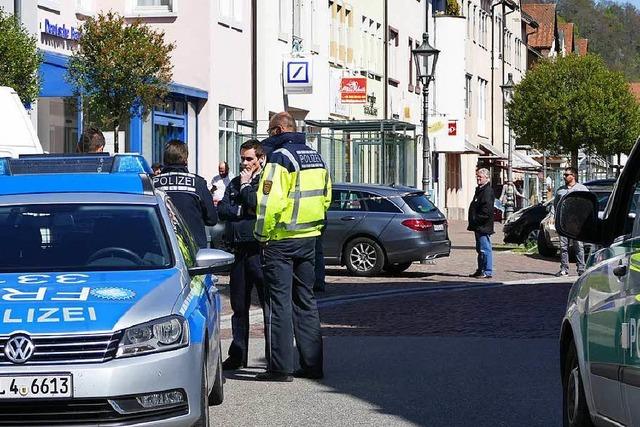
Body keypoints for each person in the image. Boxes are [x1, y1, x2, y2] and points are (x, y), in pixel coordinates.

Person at [253, 111, 331, 382]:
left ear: (278, 130)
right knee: (306, 300)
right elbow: (325, 197)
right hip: (309, 237)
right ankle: (312, 365)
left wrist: (262, 234)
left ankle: (279, 367)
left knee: (279, 303)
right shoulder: (316, 157)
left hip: (280, 239)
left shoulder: (280, 158)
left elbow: (268, 202)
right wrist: (314, 228)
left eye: (270, 130)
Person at [217, 140, 267, 370]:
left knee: (268, 304)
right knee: (239, 305)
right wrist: (239, 210)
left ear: (260, 159)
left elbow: (256, 206)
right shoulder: (235, 182)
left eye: (249, 159)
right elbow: (222, 209)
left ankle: (273, 356)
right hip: (238, 249)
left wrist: (247, 190)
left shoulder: (264, 180)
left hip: (258, 249)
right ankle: (238, 354)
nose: (245, 163)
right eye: (243, 158)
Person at [153, 140, 218, 248]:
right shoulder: (197, 183)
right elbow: (211, 219)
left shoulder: (152, 184)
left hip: (161, 249)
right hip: (193, 249)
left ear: (164, 160)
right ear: (185, 160)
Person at [554, 167, 589, 276]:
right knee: (563, 246)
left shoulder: (582, 189)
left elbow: (588, 204)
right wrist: (554, 217)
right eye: (564, 175)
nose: (564, 176)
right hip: (563, 222)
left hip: (577, 223)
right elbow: (556, 205)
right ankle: (564, 269)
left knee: (578, 246)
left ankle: (581, 269)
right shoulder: (560, 190)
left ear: (573, 176)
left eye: (567, 174)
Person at [468, 168, 495, 279]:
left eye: (480, 177)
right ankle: (480, 269)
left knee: (485, 248)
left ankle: (487, 271)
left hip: (483, 225)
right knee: (480, 249)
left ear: (487, 178)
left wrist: (477, 219)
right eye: (477, 176)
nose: (478, 178)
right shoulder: (480, 190)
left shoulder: (487, 191)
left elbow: (487, 210)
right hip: (478, 226)